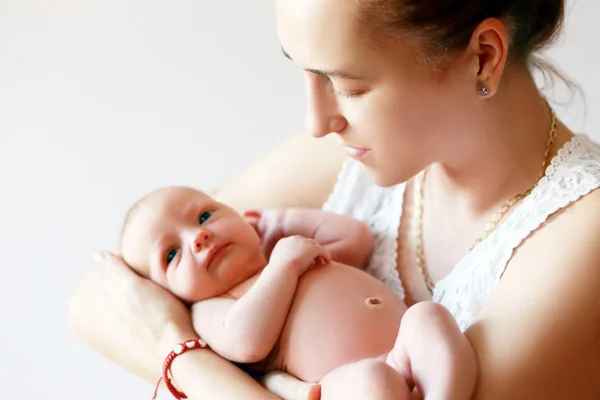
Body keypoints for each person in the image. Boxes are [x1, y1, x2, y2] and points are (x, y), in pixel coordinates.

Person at [68, 0, 600, 398]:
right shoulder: (347, 156)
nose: (316, 121)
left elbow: (136, 312)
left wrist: (174, 347)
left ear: (483, 58)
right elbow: (96, 299)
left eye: (347, 86)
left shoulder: (584, 232)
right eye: (304, 72)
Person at [117, 185, 476, 399]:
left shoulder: (292, 250)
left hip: (402, 346)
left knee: (427, 317)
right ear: (168, 293)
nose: (198, 236)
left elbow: (354, 238)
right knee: (373, 382)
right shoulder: (210, 308)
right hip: (342, 382)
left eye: (205, 216)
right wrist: (282, 267)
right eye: (171, 254)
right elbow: (246, 343)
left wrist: (276, 224)